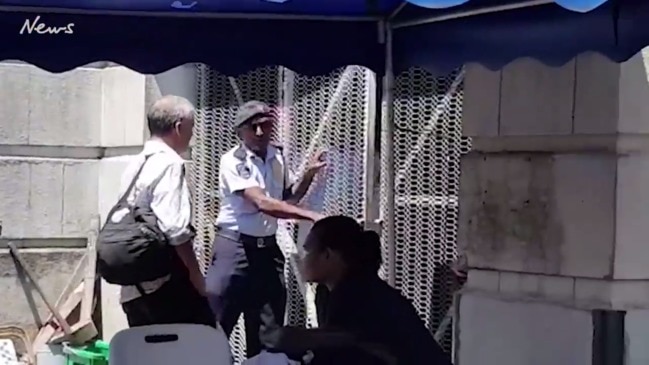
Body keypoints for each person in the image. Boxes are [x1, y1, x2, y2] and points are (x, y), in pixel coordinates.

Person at [206, 100, 327, 358]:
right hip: (235, 249)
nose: (260, 132)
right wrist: (313, 216)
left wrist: (308, 175)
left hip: (266, 251)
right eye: (253, 127)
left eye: (266, 125)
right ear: (240, 131)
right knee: (217, 327)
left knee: (267, 333)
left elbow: (286, 199)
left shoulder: (277, 156)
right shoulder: (233, 160)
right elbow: (262, 202)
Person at [275, 216, 452, 365]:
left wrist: (303, 339)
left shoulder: (360, 296)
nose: (304, 259)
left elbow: (347, 347)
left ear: (328, 255)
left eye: (308, 251)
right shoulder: (333, 292)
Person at [118, 95, 214, 327]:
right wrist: (196, 277)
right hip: (165, 288)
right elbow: (176, 229)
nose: (192, 136)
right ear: (179, 127)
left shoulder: (136, 163)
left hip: (134, 288)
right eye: (191, 128)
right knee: (199, 344)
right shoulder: (170, 164)